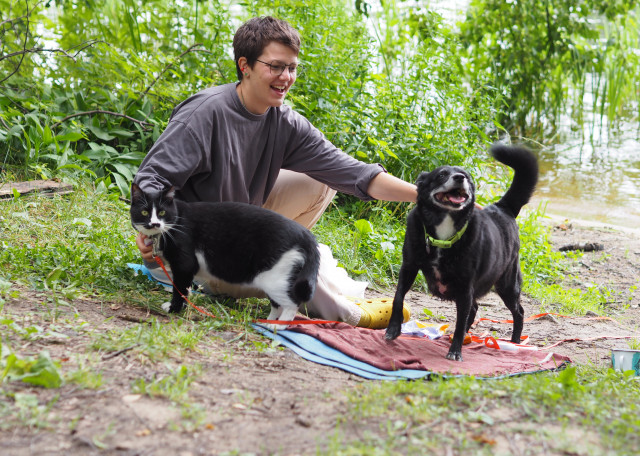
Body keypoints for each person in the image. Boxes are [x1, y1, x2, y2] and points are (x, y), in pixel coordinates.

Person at [133, 16, 416, 328]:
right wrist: (148, 232)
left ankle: (275, 260)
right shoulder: (205, 114)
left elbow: (353, 172)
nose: (286, 77)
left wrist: (426, 196)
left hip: (237, 229)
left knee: (320, 181)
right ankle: (343, 311)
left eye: (292, 68)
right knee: (289, 270)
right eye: (276, 66)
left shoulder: (284, 121)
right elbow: (151, 178)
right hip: (195, 251)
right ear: (245, 66)